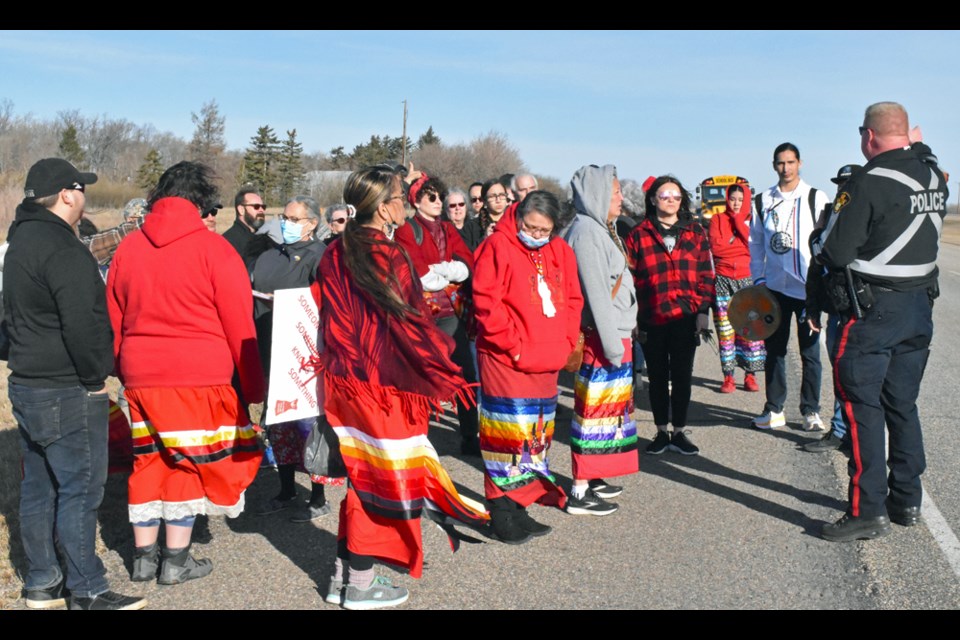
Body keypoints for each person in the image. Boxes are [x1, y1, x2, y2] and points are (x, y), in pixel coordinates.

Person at [315, 166, 487, 610]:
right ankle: (361, 581)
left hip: (342, 380)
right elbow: (410, 326)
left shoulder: (335, 252)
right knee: (382, 479)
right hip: (381, 385)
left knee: (360, 474)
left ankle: (342, 576)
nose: (407, 205)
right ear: (386, 207)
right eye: (401, 198)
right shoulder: (388, 256)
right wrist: (442, 367)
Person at [107, 161, 265, 586]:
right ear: (199, 204)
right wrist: (253, 386)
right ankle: (175, 559)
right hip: (198, 374)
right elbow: (239, 324)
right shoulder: (214, 249)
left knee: (149, 461)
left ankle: (142, 558)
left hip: (141, 372)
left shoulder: (128, 248)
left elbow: (115, 315)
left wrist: (124, 367)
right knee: (187, 464)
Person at [4, 157, 146, 610]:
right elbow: (84, 324)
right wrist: (94, 376)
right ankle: (88, 589)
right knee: (80, 490)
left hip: (27, 381)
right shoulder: (63, 249)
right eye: (80, 189)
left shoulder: (20, 241)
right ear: (67, 195)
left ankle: (42, 582)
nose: (84, 198)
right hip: (66, 385)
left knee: (40, 487)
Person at [817, 102, 947, 541]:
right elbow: (926, 160)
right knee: (902, 405)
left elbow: (834, 252)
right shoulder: (932, 176)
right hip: (918, 309)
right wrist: (919, 143)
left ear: (868, 137)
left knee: (861, 409)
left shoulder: (867, 182)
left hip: (875, 312)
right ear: (907, 134)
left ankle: (866, 509)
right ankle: (906, 499)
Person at [473, 192, 583, 540]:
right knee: (506, 435)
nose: (536, 235)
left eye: (543, 231)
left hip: (547, 359)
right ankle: (501, 510)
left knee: (535, 436)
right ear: (518, 217)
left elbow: (573, 300)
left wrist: (566, 343)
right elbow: (486, 304)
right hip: (507, 359)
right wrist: (514, 346)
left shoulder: (561, 251)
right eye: (530, 228)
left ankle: (521, 505)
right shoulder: (497, 246)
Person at [252, 196, 343, 522]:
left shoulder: (322, 258)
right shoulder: (269, 257)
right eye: (284, 217)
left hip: (306, 354)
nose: (286, 223)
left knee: (310, 427)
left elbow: (329, 301)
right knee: (279, 423)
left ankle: (318, 496)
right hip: (272, 350)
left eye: (293, 218)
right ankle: (286, 488)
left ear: (311, 224)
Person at [563, 164, 639, 513]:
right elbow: (595, 295)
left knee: (608, 413)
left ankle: (594, 475)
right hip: (602, 339)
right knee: (593, 412)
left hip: (612, 336)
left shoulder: (597, 228)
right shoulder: (587, 233)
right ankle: (579, 489)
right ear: (596, 195)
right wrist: (612, 347)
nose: (621, 197)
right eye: (616, 192)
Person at [626, 176, 715, 456]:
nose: (671, 200)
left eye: (676, 196)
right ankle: (661, 431)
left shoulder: (696, 232)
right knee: (657, 377)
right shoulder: (639, 234)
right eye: (664, 195)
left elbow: (706, 275)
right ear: (653, 199)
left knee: (681, 376)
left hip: (685, 317)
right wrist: (633, 319)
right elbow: (629, 278)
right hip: (652, 316)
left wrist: (702, 312)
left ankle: (679, 431)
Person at [394, 175, 480, 455]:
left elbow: (467, 263)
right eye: (431, 197)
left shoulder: (447, 228)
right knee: (424, 377)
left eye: (439, 197)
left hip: (452, 312)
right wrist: (448, 270)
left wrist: (445, 269)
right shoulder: (408, 229)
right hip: (422, 314)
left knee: (465, 373)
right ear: (416, 200)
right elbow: (420, 274)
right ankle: (419, 436)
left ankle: (469, 434)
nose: (438, 202)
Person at [749, 142, 829, 431]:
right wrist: (758, 279)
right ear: (774, 166)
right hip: (774, 288)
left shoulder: (815, 197)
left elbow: (826, 240)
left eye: (791, 162)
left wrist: (822, 282)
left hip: (807, 288)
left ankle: (811, 411)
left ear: (800, 163)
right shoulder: (762, 200)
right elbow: (755, 243)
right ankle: (774, 409)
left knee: (810, 352)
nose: (786, 168)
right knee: (775, 351)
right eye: (781, 163)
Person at [803, 164, 862, 453]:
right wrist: (812, 308)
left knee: (862, 376)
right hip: (837, 311)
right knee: (841, 373)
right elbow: (816, 269)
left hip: (865, 312)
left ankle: (858, 432)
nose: (844, 189)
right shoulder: (828, 220)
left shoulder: (869, 217)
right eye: (841, 184)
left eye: (849, 184)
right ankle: (840, 431)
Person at [708, 184, 765, 393]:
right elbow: (717, 248)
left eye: (741, 199)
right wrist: (737, 246)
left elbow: (752, 245)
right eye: (733, 198)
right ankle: (728, 376)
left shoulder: (752, 220)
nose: (736, 203)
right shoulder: (716, 219)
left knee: (750, 330)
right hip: (723, 280)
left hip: (747, 280)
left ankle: (750, 375)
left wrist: (738, 220)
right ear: (727, 199)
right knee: (726, 331)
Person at [223, 187, 267, 261]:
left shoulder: (264, 238)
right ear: (241, 210)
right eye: (256, 206)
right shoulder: (228, 242)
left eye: (263, 207)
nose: (261, 210)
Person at [444, 186, 483, 252]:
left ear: (466, 207)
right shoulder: (444, 231)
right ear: (446, 209)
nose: (457, 208)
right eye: (452, 205)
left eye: (461, 204)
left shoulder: (476, 226)